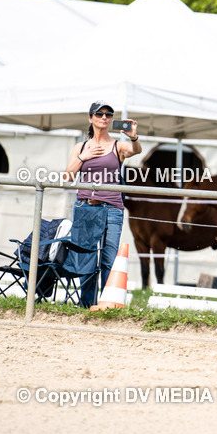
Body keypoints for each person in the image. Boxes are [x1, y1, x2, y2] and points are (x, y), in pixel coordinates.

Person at [63, 100, 141, 306]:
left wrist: (134, 137)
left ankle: (107, 305)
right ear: (90, 118)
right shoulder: (80, 147)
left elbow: (137, 150)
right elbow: (68, 176)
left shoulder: (118, 146)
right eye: (99, 114)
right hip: (85, 207)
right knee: (86, 259)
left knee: (109, 259)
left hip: (112, 209)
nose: (104, 118)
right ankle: (87, 304)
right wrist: (83, 157)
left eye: (108, 115)